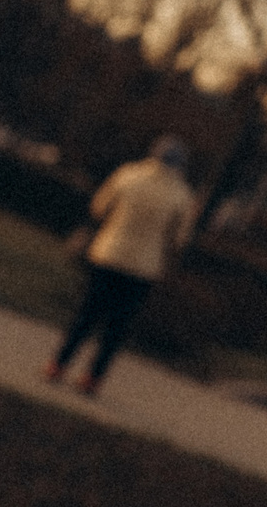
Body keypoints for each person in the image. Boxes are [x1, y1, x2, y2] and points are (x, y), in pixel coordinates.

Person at [46, 134, 196, 395]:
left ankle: (58, 364)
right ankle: (92, 379)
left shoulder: (128, 175)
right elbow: (180, 238)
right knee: (117, 327)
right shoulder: (182, 195)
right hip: (143, 268)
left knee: (86, 314)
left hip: (108, 254)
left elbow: (99, 208)